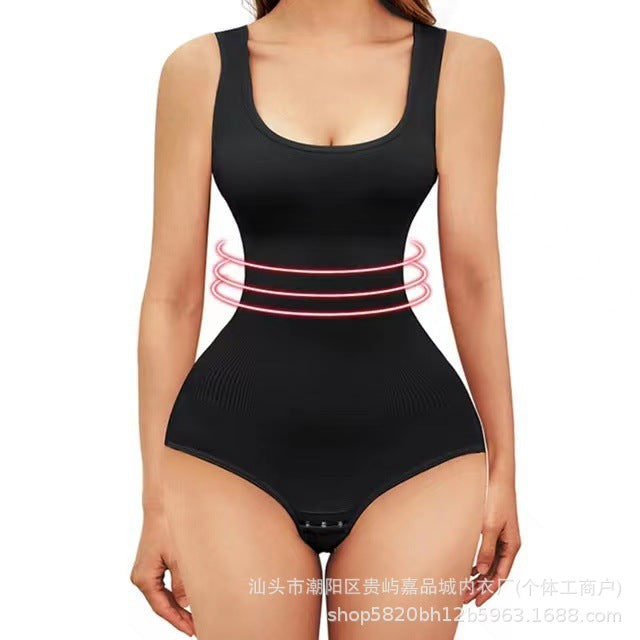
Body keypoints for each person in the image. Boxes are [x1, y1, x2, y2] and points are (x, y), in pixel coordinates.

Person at [131, 1, 520, 638]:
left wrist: (505, 470)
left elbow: (476, 281)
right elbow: (171, 297)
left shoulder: (463, 64)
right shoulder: (200, 68)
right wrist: (155, 502)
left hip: (417, 452)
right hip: (230, 452)